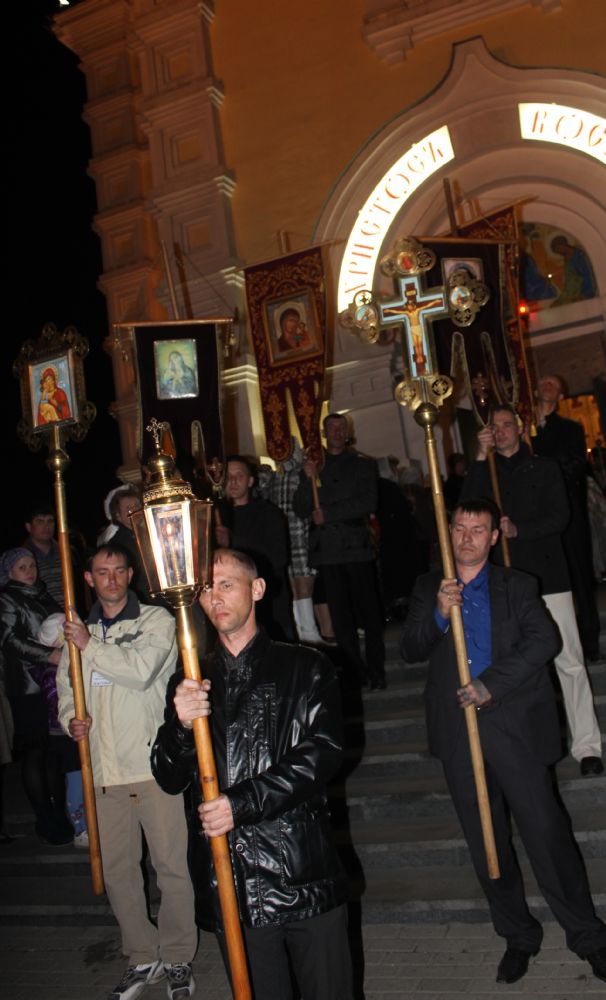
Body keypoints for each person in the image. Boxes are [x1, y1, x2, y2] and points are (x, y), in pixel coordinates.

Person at [401, 498, 606, 986]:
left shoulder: (517, 585)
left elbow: (544, 641)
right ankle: (518, 935)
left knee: (547, 835)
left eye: (478, 529)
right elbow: (410, 649)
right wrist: (438, 614)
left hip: (514, 726)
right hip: (458, 733)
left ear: (494, 537)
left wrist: (491, 684)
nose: (467, 537)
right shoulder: (429, 586)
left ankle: (587, 935)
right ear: (448, 533)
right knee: (486, 842)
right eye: (459, 528)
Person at [151, 548, 353, 1000]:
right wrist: (180, 726)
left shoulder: (306, 667)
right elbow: (168, 777)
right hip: (232, 882)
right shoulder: (190, 679)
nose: (215, 598)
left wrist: (239, 804)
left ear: (257, 589)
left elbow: (322, 755)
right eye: (206, 589)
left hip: (301, 871)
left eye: (227, 584)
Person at [57, 543, 197, 1000]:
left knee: (170, 867)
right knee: (119, 873)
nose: (112, 579)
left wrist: (89, 645)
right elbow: (67, 689)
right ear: (89, 579)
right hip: (104, 771)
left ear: (130, 574)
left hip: (152, 768)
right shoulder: (78, 633)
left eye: (119, 570)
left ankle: (177, 956)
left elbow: (140, 672)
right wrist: (71, 720)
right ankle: (142, 955)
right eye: (102, 572)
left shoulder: (155, 620)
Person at [461, 405, 603, 777]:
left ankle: (587, 746)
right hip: (505, 582)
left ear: (520, 428)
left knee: (569, 661)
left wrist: (518, 530)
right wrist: (479, 458)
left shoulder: (545, 467)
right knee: (515, 665)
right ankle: (524, 747)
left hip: (548, 576)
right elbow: (465, 511)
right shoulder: (487, 471)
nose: (501, 431)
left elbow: (560, 517)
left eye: (507, 424)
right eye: (495, 426)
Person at [293, 412, 386, 688]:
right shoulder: (314, 467)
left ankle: (377, 671)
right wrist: (306, 480)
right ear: (324, 433)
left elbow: (368, 502)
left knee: (369, 614)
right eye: (331, 428)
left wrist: (330, 514)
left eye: (340, 427)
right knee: (341, 618)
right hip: (328, 552)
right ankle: (356, 673)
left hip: (356, 547)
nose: (336, 432)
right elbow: (300, 508)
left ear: (347, 432)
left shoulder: (362, 465)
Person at [0, 548, 72, 845]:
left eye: (32, 566)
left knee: (53, 751)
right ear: (9, 573)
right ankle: (44, 816)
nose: (30, 571)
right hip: (27, 685)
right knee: (35, 751)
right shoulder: (7, 599)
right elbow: (9, 639)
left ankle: (59, 813)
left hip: (50, 684)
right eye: (22, 567)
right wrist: (48, 655)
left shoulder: (43, 596)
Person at [533, 373, 601, 661]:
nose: (547, 386)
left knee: (580, 579)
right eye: (543, 383)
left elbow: (574, 467)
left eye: (553, 384)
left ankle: (590, 644)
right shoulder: (524, 430)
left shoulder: (571, 429)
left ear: (560, 396)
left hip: (570, 518)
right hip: (537, 520)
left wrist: (539, 464)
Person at [215, 456, 295, 641]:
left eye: (239, 476)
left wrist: (233, 541)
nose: (233, 481)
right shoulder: (216, 516)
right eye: (228, 476)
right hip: (233, 603)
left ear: (250, 481)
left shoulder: (268, 513)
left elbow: (279, 557)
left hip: (269, 599)